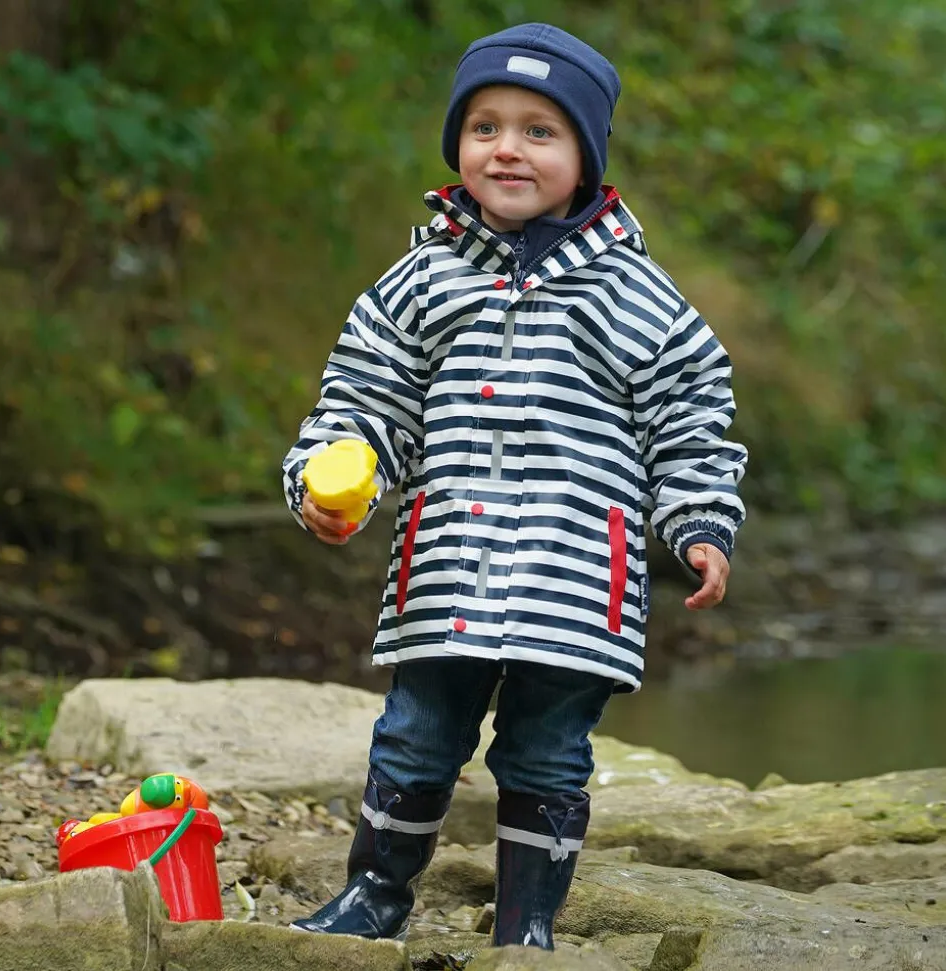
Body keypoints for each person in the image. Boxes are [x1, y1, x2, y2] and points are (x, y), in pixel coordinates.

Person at [282, 22, 747, 950]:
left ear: (586, 156)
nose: (508, 147)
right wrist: (332, 485)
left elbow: (691, 412)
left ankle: (526, 926)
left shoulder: (635, 292)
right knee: (416, 731)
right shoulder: (421, 279)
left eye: (540, 130)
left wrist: (697, 518)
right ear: (458, 143)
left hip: (576, 575)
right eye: (486, 125)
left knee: (546, 749)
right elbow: (366, 401)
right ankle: (375, 895)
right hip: (448, 564)